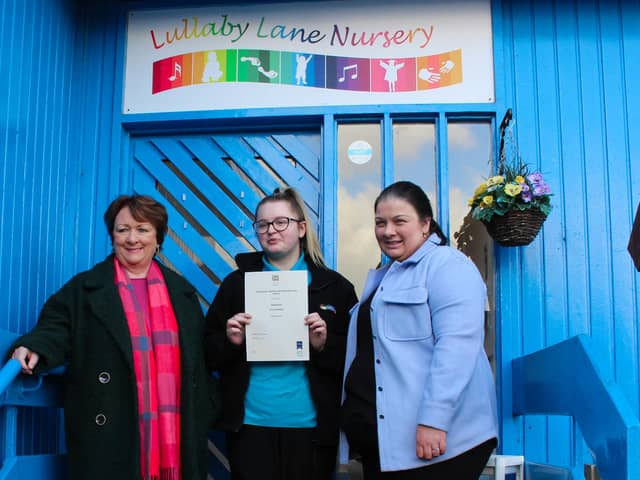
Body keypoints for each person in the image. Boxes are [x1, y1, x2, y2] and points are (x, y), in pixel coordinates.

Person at [9, 194, 218, 480]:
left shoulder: (181, 293)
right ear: (112, 236)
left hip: (176, 434)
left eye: (142, 229)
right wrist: (34, 346)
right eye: (123, 230)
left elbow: (201, 357)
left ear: (158, 237)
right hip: (109, 430)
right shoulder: (85, 288)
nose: (132, 238)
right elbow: (55, 327)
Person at [340, 181, 498, 479]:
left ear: (425, 224)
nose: (388, 231)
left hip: (436, 444)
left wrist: (434, 420)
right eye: (380, 223)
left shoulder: (448, 266)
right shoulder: (387, 275)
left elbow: (457, 347)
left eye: (400, 221)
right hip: (388, 445)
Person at [204, 187, 357, 480]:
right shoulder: (236, 285)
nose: (270, 230)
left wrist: (324, 345)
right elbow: (209, 354)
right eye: (262, 224)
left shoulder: (335, 288)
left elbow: (355, 362)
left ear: (301, 228)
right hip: (249, 425)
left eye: (280, 222)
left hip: (311, 427)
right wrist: (231, 342)